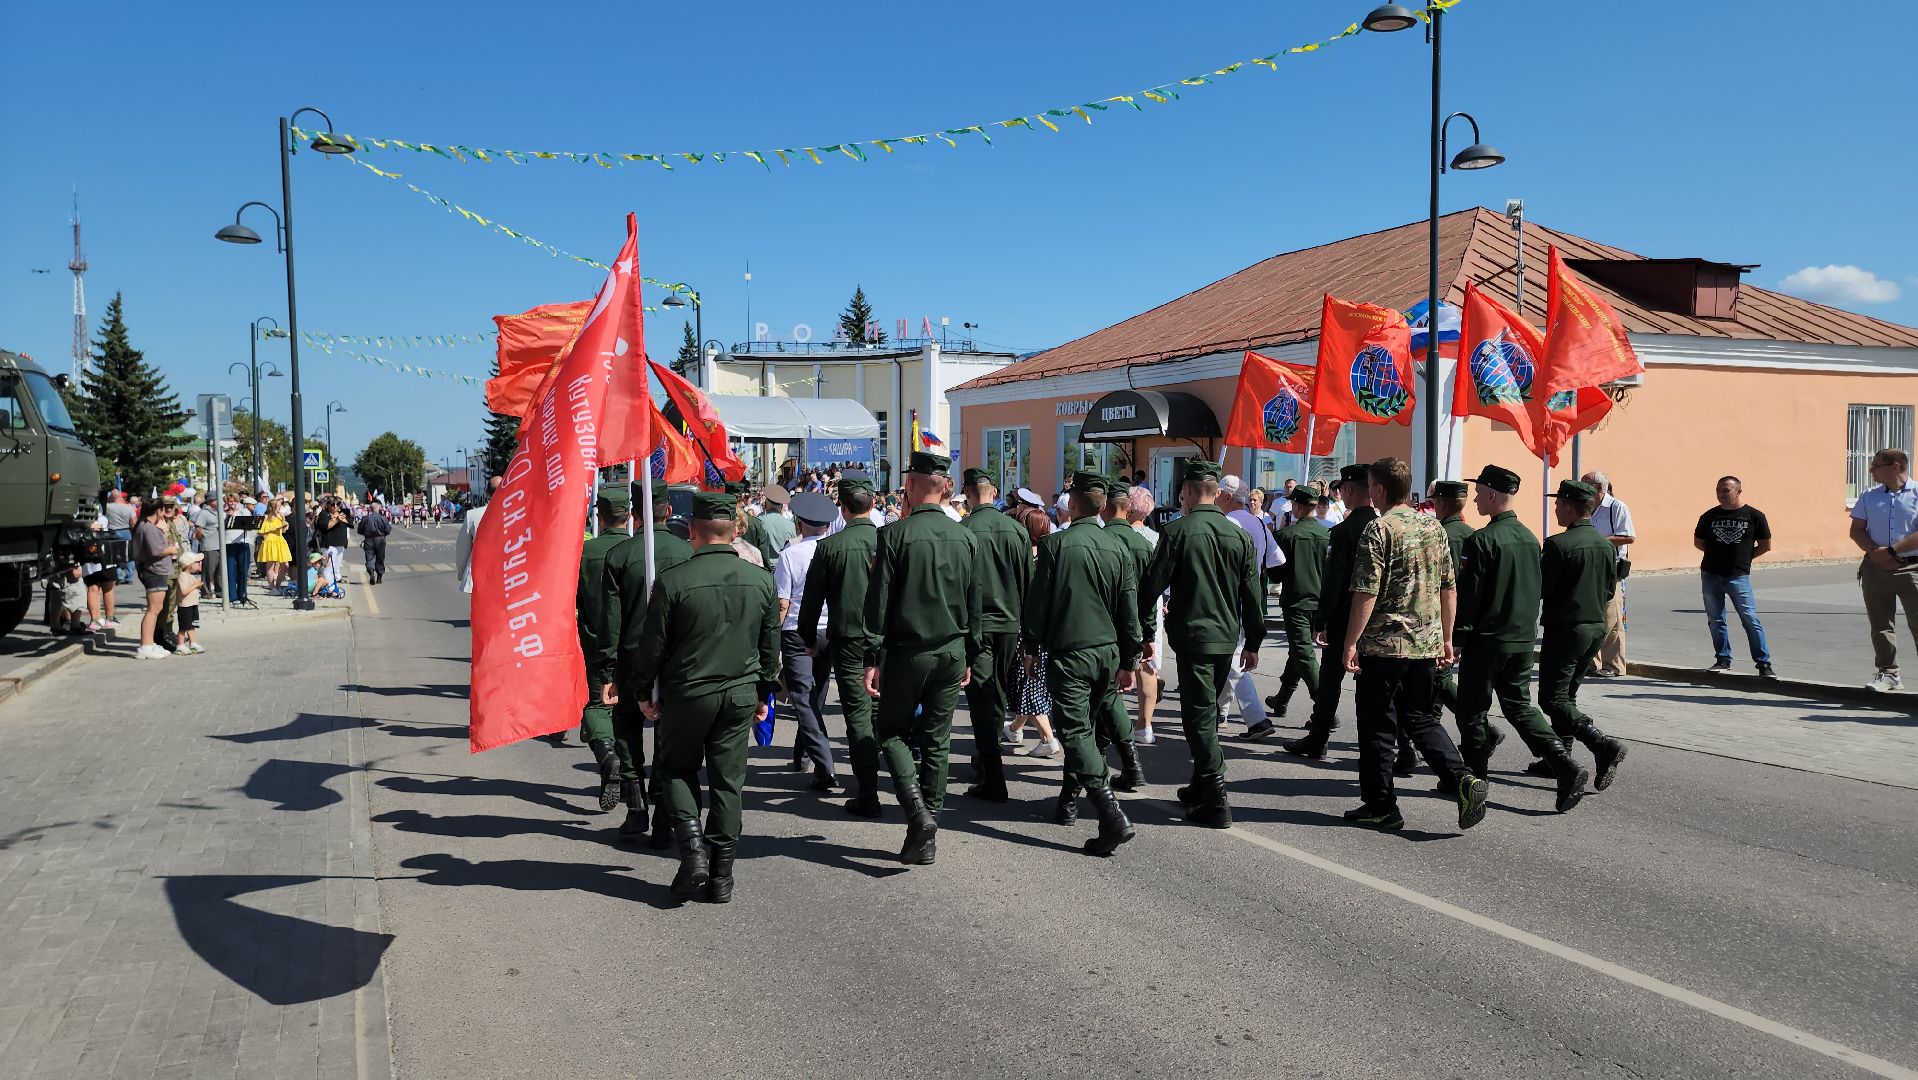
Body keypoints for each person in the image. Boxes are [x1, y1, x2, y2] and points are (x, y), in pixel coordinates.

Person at [631, 491, 780, 904]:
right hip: (739, 694)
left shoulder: (674, 581)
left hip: (688, 693)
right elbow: (770, 649)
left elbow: (653, 646)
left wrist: (643, 691)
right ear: (733, 531)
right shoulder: (761, 580)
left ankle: (694, 850)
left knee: (677, 769)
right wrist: (765, 692)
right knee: (728, 781)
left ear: (692, 531)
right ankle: (721, 877)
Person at [1336, 457, 1486, 831]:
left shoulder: (1379, 529)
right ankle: (1462, 777)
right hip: (1426, 643)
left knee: (1376, 727)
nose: (1369, 491)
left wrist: (1350, 642)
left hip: (1384, 646)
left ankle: (1381, 805)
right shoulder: (1434, 527)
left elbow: (1366, 591)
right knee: (1420, 717)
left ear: (1381, 490)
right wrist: (1447, 639)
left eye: (1371, 485)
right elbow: (1448, 587)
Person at [857, 451, 984, 866]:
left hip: (909, 652)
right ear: (945, 487)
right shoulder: (966, 536)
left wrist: (871, 655)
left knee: (891, 732)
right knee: (937, 740)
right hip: (951, 650)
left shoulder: (894, 536)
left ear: (911, 486)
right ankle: (927, 829)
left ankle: (917, 812)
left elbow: (878, 604)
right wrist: (971, 651)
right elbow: (974, 603)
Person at [1454, 466, 1587, 812]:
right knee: (1519, 706)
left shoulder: (1481, 540)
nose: (1477, 498)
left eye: (1481, 492)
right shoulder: (1530, 538)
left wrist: (1457, 637)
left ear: (1494, 496)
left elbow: (1469, 598)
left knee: (1471, 711)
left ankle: (1476, 780)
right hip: (1521, 639)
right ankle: (1564, 764)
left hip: (1487, 640)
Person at [1138, 459, 1262, 828]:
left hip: (1193, 636)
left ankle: (1216, 796)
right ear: (1217, 493)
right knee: (1205, 708)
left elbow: (1151, 586)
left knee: (1198, 716)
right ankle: (1199, 786)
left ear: (1190, 492)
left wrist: (1141, 631)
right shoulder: (1238, 533)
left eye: (1183, 492)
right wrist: (1254, 640)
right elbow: (1253, 593)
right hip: (1226, 636)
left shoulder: (1177, 531)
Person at [1025, 472, 1141, 855]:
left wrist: (1030, 646)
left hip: (1072, 653)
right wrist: (1129, 657)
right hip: (1106, 653)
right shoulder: (1119, 547)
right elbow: (1129, 611)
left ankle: (1110, 814)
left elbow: (1039, 602)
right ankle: (1067, 801)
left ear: (1073, 504)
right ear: (1103, 505)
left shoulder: (1057, 545)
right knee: (1086, 732)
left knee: (1075, 734)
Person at [604, 485, 697, 843]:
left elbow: (609, 622)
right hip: (675, 659)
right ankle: (661, 814)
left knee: (626, 728)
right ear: (668, 510)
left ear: (635, 513)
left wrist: (606, 670)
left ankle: (636, 806)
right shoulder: (687, 552)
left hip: (630, 658)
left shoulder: (620, 555)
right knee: (667, 735)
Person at [798, 474, 885, 816]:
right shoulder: (888, 540)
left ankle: (868, 792)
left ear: (842, 510)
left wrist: (808, 639)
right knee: (879, 713)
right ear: (873, 505)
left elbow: (811, 601)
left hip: (849, 640)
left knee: (859, 717)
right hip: (884, 639)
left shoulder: (830, 547)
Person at [1535, 480, 1629, 791]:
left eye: (1559, 504)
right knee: (1567, 696)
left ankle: (1601, 744)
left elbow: (1542, 588)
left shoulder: (1558, 545)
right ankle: (1559, 756)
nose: (1556, 509)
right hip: (1594, 627)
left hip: (1566, 629)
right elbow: (1608, 589)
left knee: (1551, 699)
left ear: (1571, 507)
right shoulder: (1605, 545)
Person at [1283, 465, 1378, 760]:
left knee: (1330, 683)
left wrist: (1321, 620)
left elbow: (1334, 581)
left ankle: (1318, 739)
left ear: (1348, 490)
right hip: (1377, 620)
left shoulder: (1344, 531)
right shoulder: (1383, 526)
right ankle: (1383, 748)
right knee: (1375, 688)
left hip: (1343, 619)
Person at [958, 468, 1031, 804]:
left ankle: (993, 774)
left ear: (967, 493)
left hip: (978, 628)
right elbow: (1028, 584)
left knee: (981, 700)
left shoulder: (964, 530)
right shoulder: (1016, 530)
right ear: (995, 491)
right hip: (1010, 625)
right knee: (995, 694)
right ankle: (986, 760)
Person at [774, 492, 838, 792]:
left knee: (802, 696)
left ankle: (825, 764)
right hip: (829, 630)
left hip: (797, 630)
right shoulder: (836, 550)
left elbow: (782, 603)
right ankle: (803, 753)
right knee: (816, 696)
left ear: (799, 524)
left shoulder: (791, 554)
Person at [576, 488, 634, 815]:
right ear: (628, 515)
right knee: (630, 713)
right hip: (639, 645)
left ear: (600, 517)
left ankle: (607, 754)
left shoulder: (585, 552)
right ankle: (630, 780)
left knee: (597, 706)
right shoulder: (640, 550)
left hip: (597, 642)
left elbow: (574, 600)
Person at [1095, 476, 1152, 790]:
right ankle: (1124, 765)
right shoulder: (1143, 544)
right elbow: (1148, 598)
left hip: (1102, 633)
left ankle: (1119, 767)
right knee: (1108, 699)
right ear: (1128, 508)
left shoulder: (1100, 541)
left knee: (1103, 701)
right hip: (1131, 633)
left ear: (1104, 508)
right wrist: (1147, 636)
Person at [1217, 474, 1284, 740]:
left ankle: (1257, 719)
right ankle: (1220, 711)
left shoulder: (1225, 523)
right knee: (1229, 657)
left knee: (1232, 660)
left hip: (1230, 597)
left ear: (1226, 496)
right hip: (1252, 594)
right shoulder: (1258, 522)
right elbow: (1277, 559)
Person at [1849, 448, 1918, 691]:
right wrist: (1874, 553)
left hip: (1911, 568)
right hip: (1875, 569)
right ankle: (1889, 674)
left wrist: (1891, 551)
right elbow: (1856, 530)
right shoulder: (1869, 495)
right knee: (1880, 625)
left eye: (1876, 465)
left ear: (1895, 466)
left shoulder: (1917, 493)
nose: (1871, 470)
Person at [1696, 476, 1775, 677]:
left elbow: (1765, 545)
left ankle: (1763, 664)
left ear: (1738, 491)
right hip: (1711, 574)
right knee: (1715, 619)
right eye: (1719, 490)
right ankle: (1723, 659)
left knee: (1750, 618)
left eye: (1726, 490)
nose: (1721, 494)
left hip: (1738, 577)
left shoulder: (1755, 516)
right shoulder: (1709, 516)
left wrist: (1745, 558)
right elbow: (1699, 542)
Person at [1265, 487, 1330, 722]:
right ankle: (1282, 699)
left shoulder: (1286, 536)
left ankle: (1325, 708)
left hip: (1296, 602)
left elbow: (1276, 574)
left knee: (1303, 653)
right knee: (1297, 651)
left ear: (1297, 507)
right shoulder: (1327, 535)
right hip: (1320, 602)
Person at [1002, 506, 1062, 758]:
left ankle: (1048, 738)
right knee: (1029, 682)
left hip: (1027, 630)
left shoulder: (1027, 557)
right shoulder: (1048, 555)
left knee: (1029, 683)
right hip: (1046, 629)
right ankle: (1015, 728)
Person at [1582, 470, 1635, 676]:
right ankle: (1591, 663)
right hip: (1589, 567)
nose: (1581, 487)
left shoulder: (1616, 507)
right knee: (1591, 617)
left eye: (1585, 484)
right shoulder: (1585, 508)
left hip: (1611, 568)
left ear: (1598, 488)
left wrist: (1598, 541)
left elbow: (1629, 537)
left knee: (1611, 618)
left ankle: (1613, 665)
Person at [1124, 486, 1164, 743]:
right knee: (1147, 667)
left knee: (1121, 663)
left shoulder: (1116, 536)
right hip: (1152, 606)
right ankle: (1145, 725)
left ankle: (1113, 721)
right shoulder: (1156, 539)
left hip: (1123, 606)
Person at [130, 500, 178, 660]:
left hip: (156, 570)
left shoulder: (146, 525)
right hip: (154, 571)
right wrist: (171, 549)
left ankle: (149, 643)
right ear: (158, 510)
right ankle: (145, 646)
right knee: (153, 609)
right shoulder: (148, 527)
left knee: (155, 609)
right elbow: (156, 550)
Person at [456, 476, 501, 594]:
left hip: (478, 578)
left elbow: (462, 550)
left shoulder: (473, 515)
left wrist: (462, 573)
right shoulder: (517, 515)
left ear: (486, 493)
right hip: (509, 578)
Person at [222, 494, 256, 604]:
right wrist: (228, 516)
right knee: (230, 571)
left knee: (243, 570)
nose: (232, 503)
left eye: (234, 501)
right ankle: (232, 596)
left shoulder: (244, 511)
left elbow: (250, 524)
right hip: (229, 543)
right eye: (230, 501)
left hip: (242, 542)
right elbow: (220, 527)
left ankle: (242, 594)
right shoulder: (223, 513)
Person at [316, 497, 352, 590]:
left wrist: (343, 519)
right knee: (328, 568)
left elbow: (350, 524)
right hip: (329, 544)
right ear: (328, 505)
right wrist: (336, 520)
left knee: (336, 567)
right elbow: (325, 526)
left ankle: (333, 585)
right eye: (332, 504)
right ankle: (330, 588)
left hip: (340, 544)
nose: (335, 507)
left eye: (337, 504)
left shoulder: (342, 513)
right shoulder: (324, 514)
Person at [102, 491, 137, 585]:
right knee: (128, 554)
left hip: (113, 532)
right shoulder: (129, 507)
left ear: (112, 497)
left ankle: (119, 576)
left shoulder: (108, 507)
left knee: (115, 554)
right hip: (126, 531)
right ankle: (129, 576)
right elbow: (133, 522)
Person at [174, 552, 205, 655]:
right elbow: (183, 591)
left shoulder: (190, 576)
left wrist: (198, 586)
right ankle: (180, 645)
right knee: (183, 627)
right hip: (185, 606)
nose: (199, 564)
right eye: (197, 562)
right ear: (190, 565)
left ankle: (193, 643)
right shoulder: (183, 576)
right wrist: (195, 585)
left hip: (192, 605)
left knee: (192, 626)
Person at [257, 502, 293, 591]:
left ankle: (277, 586)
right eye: (277, 507)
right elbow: (260, 532)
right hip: (270, 541)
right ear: (271, 507)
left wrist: (283, 520)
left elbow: (283, 531)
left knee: (285, 565)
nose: (279, 508)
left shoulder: (280, 516)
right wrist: (275, 528)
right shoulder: (266, 517)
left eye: (279, 506)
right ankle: (272, 588)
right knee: (271, 565)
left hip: (280, 541)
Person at [356, 501, 392, 585]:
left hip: (369, 540)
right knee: (380, 558)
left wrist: (366, 534)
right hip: (380, 540)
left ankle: (371, 572)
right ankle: (379, 577)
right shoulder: (383, 518)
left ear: (370, 509)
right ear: (378, 508)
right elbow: (388, 530)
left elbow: (359, 530)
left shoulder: (365, 518)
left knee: (369, 558)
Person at [758, 485, 796, 552]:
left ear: (767, 503)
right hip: (783, 561)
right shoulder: (790, 525)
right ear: (781, 505)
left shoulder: (758, 521)